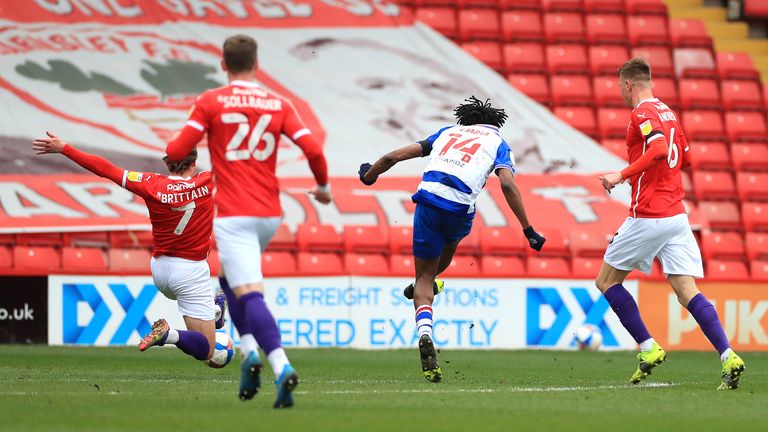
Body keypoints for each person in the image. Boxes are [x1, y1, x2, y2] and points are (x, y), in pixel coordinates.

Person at [165, 34, 331, 408]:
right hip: (269, 213)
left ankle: (279, 363)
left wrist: (197, 134)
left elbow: (176, 151)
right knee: (229, 279)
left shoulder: (211, 101)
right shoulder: (278, 102)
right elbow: (314, 149)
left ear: (224, 65)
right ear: (257, 64)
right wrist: (322, 187)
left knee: (249, 292)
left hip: (234, 214)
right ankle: (247, 351)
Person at [358, 96, 545, 382]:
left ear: (465, 120)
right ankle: (428, 282)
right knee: (449, 246)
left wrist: (368, 176)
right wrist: (528, 229)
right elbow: (507, 182)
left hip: (429, 201)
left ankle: (424, 329)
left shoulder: (447, 133)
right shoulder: (498, 143)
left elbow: (392, 157)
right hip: (459, 210)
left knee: (423, 278)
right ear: (495, 123)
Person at [598, 58, 745, 390]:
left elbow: (660, 148)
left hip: (650, 213)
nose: (621, 94)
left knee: (606, 281)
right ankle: (728, 355)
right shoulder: (669, 113)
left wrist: (620, 175)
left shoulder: (643, 113)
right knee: (685, 290)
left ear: (627, 85)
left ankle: (648, 348)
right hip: (677, 215)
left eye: (620, 88)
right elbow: (687, 157)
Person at [32, 132, 226, 362]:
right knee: (207, 352)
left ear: (167, 162)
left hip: (161, 271)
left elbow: (105, 168)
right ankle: (169, 334)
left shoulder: (150, 183)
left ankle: (215, 312)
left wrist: (64, 148)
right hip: (191, 272)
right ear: (194, 162)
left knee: (211, 321)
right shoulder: (207, 180)